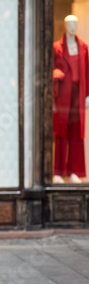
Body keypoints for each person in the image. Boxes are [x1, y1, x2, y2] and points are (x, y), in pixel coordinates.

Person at [53, 15, 89, 183]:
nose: (73, 27)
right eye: (69, 24)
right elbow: (51, 68)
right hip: (62, 94)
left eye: (75, 23)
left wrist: (87, 94)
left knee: (76, 133)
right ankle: (59, 171)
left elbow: (87, 73)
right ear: (65, 26)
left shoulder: (83, 48)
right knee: (61, 132)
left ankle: (75, 171)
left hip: (78, 94)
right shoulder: (57, 48)